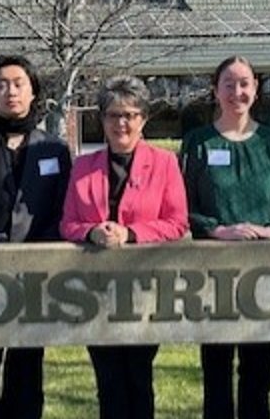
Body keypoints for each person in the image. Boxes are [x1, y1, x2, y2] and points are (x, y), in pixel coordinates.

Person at [60, 75, 188, 419]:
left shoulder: (165, 164)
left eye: (130, 114)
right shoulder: (83, 167)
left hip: (144, 289)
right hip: (94, 292)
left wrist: (129, 234)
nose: (122, 123)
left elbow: (177, 223)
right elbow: (68, 223)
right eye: (113, 115)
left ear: (143, 119)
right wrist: (91, 233)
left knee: (138, 380)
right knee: (109, 383)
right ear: (101, 120)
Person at [180, 56, 270, 419]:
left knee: (259, 372)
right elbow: (182, 206)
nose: (237, 91)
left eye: (244, 83)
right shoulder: (197, 142)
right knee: (216, 371)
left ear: (256, 89)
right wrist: (217, 229)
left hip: (263, 273)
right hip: (212, 274)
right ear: (215, 91)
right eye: (229, 84)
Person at [0, 55, 72, 419]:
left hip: (35, 275)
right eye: (1, 84)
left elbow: (61, 209)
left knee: (26, 364)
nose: (10, 91)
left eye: (18, 83)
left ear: (33, 90)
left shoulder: (52, 148)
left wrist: (38, 256)